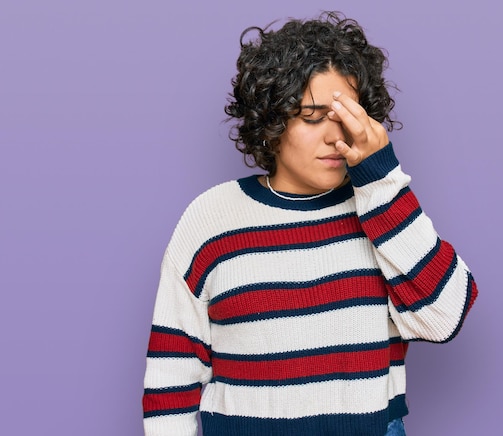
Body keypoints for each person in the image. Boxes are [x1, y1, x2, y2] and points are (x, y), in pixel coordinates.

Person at [142, 11, 478, 436]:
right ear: (271, 123)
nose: (335, 136)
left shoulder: (383, 207)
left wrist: (382, 179)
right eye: (313, 116)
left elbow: (444, 318)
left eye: (347, 116)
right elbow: (170, 383)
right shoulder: (211, 219)